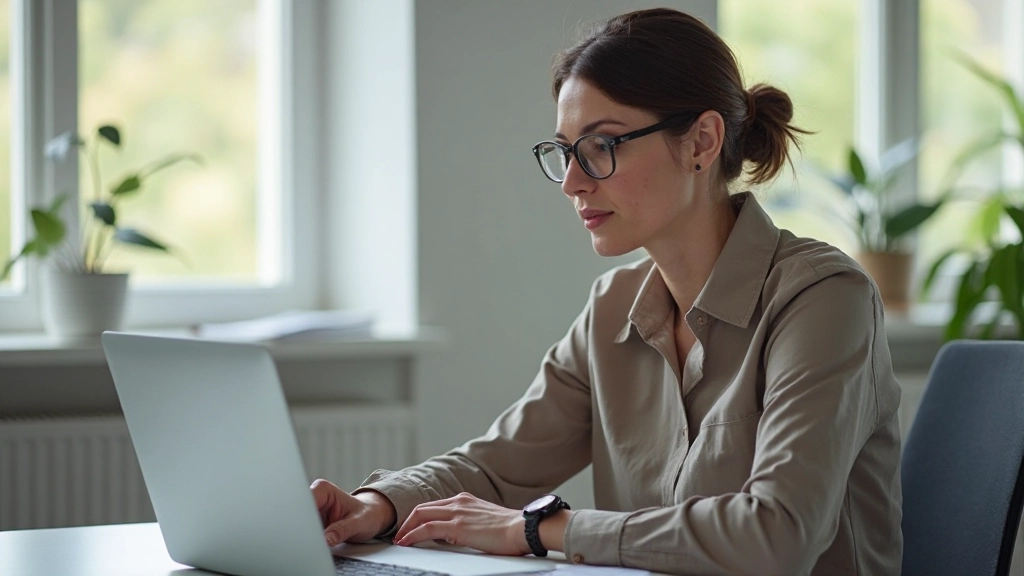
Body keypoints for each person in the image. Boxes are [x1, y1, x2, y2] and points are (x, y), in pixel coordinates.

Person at [311, 8, 902, 575]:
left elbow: (777, 537)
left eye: (601, 146)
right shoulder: (612, 309)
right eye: (566, 151)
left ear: (701, 142)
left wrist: (540, 529)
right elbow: (498, 465)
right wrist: (378, 506)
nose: (571, 182)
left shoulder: (825, 299)